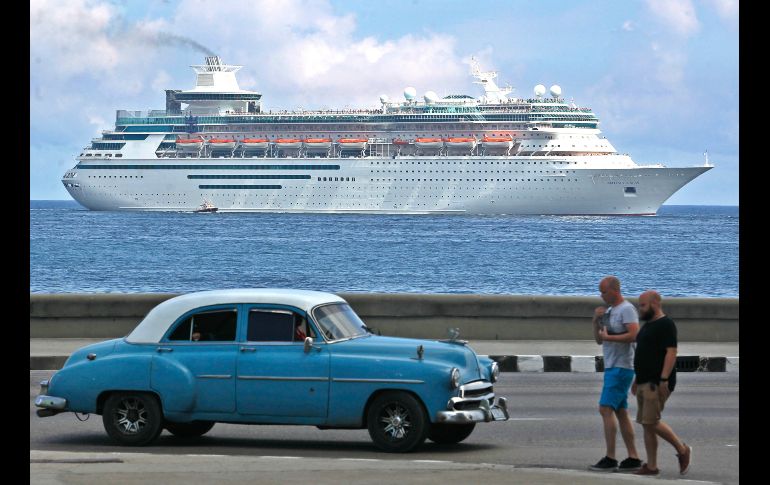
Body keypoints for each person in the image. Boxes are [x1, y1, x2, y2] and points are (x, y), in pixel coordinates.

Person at [631, 290, 692, 476]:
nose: (639, 309)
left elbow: (671, 352)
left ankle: (682, 450)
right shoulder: (649, 325)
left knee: (652, 422)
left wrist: (664, 378)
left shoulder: (665, 324)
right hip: (643, 381)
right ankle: (651, 466)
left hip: (656, 382)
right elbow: (644, 354)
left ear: (654, 304)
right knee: (646, 423)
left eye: (642, 305)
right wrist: (636, 379)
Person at [589, 276, 642, 472]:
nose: (601, 296)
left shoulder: (626, 309)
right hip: (612, 366)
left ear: (614, 290)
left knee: (605, 409)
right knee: (621, 412)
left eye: (603, 292)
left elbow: (635, 334)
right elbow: (599, 340)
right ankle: (633, 457)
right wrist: (596, 321)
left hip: (621, 367)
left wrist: (610, 336)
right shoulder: (610, 311)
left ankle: (610, 457)